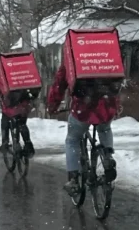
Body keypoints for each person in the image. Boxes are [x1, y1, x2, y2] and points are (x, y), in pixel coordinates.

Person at [46, 63, 119, 194]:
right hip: (107, 105)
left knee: (73, 139)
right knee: (105, 128)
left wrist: (53, 106)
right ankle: (107, 157)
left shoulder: (73, 58)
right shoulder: (106, 54)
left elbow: (59, 86)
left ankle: (73, 179)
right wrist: (115, 105)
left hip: (83, 107)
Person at [0, 80, 35, 157]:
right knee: (22, 123)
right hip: (24, 106)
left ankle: (5, 143)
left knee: (5, 121)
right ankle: (28, 145)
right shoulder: (24, 74)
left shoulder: (5, 76)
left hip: (10, 106)